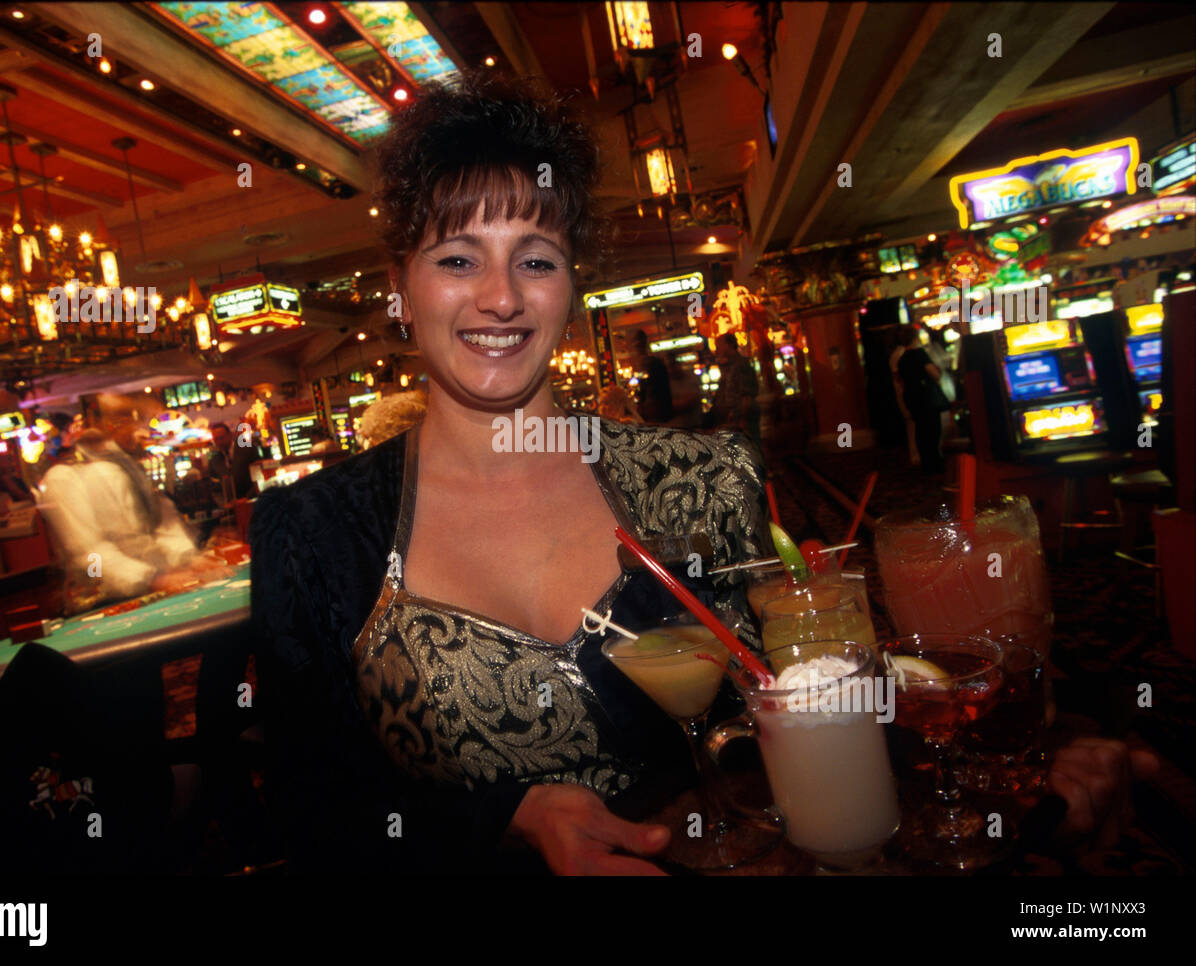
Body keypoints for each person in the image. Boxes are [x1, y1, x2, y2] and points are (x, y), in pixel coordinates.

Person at [249, 73, 1150, 876]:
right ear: (400, 290)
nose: (500, 296)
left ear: (571, 285)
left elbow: (829, 693)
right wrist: (508, 816)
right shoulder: (317, 531)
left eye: (535, 258)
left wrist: (1034, 742)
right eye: (456, 259)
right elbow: (312, 811)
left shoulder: (703, 474)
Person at [38, 427, 225, 600]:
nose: (136, 432)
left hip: (149, 585)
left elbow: (157, 526)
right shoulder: (62, 478)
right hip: (97, 598)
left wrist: (189, 558)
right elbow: (90, 554)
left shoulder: (121, 466)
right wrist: (152, 578)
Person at [896, 326, 948, 474]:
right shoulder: (920, 353)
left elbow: (900, 380)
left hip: (912, 398)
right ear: (915, 338)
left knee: (921, 430)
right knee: (933, 430)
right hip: (927, 398)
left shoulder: (902, 359)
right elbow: (934, 374)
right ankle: (935, 462)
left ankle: (927, 463)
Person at [707, 333, 760, 443]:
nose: (716, 350)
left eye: (719, 346)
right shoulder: (729, 366)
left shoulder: (741, 365)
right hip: (731, 422)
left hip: (740, 423)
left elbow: (747, 396)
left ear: (729, 345)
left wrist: (743, 421)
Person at [889, 324, 921, 466]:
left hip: (904, 391)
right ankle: (915, 454)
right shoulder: (901, 354)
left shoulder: (897, 353)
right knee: (913, 423)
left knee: (912, 423)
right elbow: (898, 377)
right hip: (905, 392)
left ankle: (916, 454)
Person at [206, 423, 259, 501]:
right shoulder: (214, 461)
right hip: (231, 506)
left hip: (253, 501)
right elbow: (215, 489)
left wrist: (247, 498)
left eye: (221, 438)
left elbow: (258, 477)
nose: (219, 442)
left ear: (230, 435)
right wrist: (224, 504)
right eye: (216, 439)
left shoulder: (248, 450)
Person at [630, 328, 672, 423]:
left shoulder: (651, 363)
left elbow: (649, 389)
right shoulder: (642, 364)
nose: (636, 345)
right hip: (656, 411)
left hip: (658, 411)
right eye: (635, 342)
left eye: (637, 342)